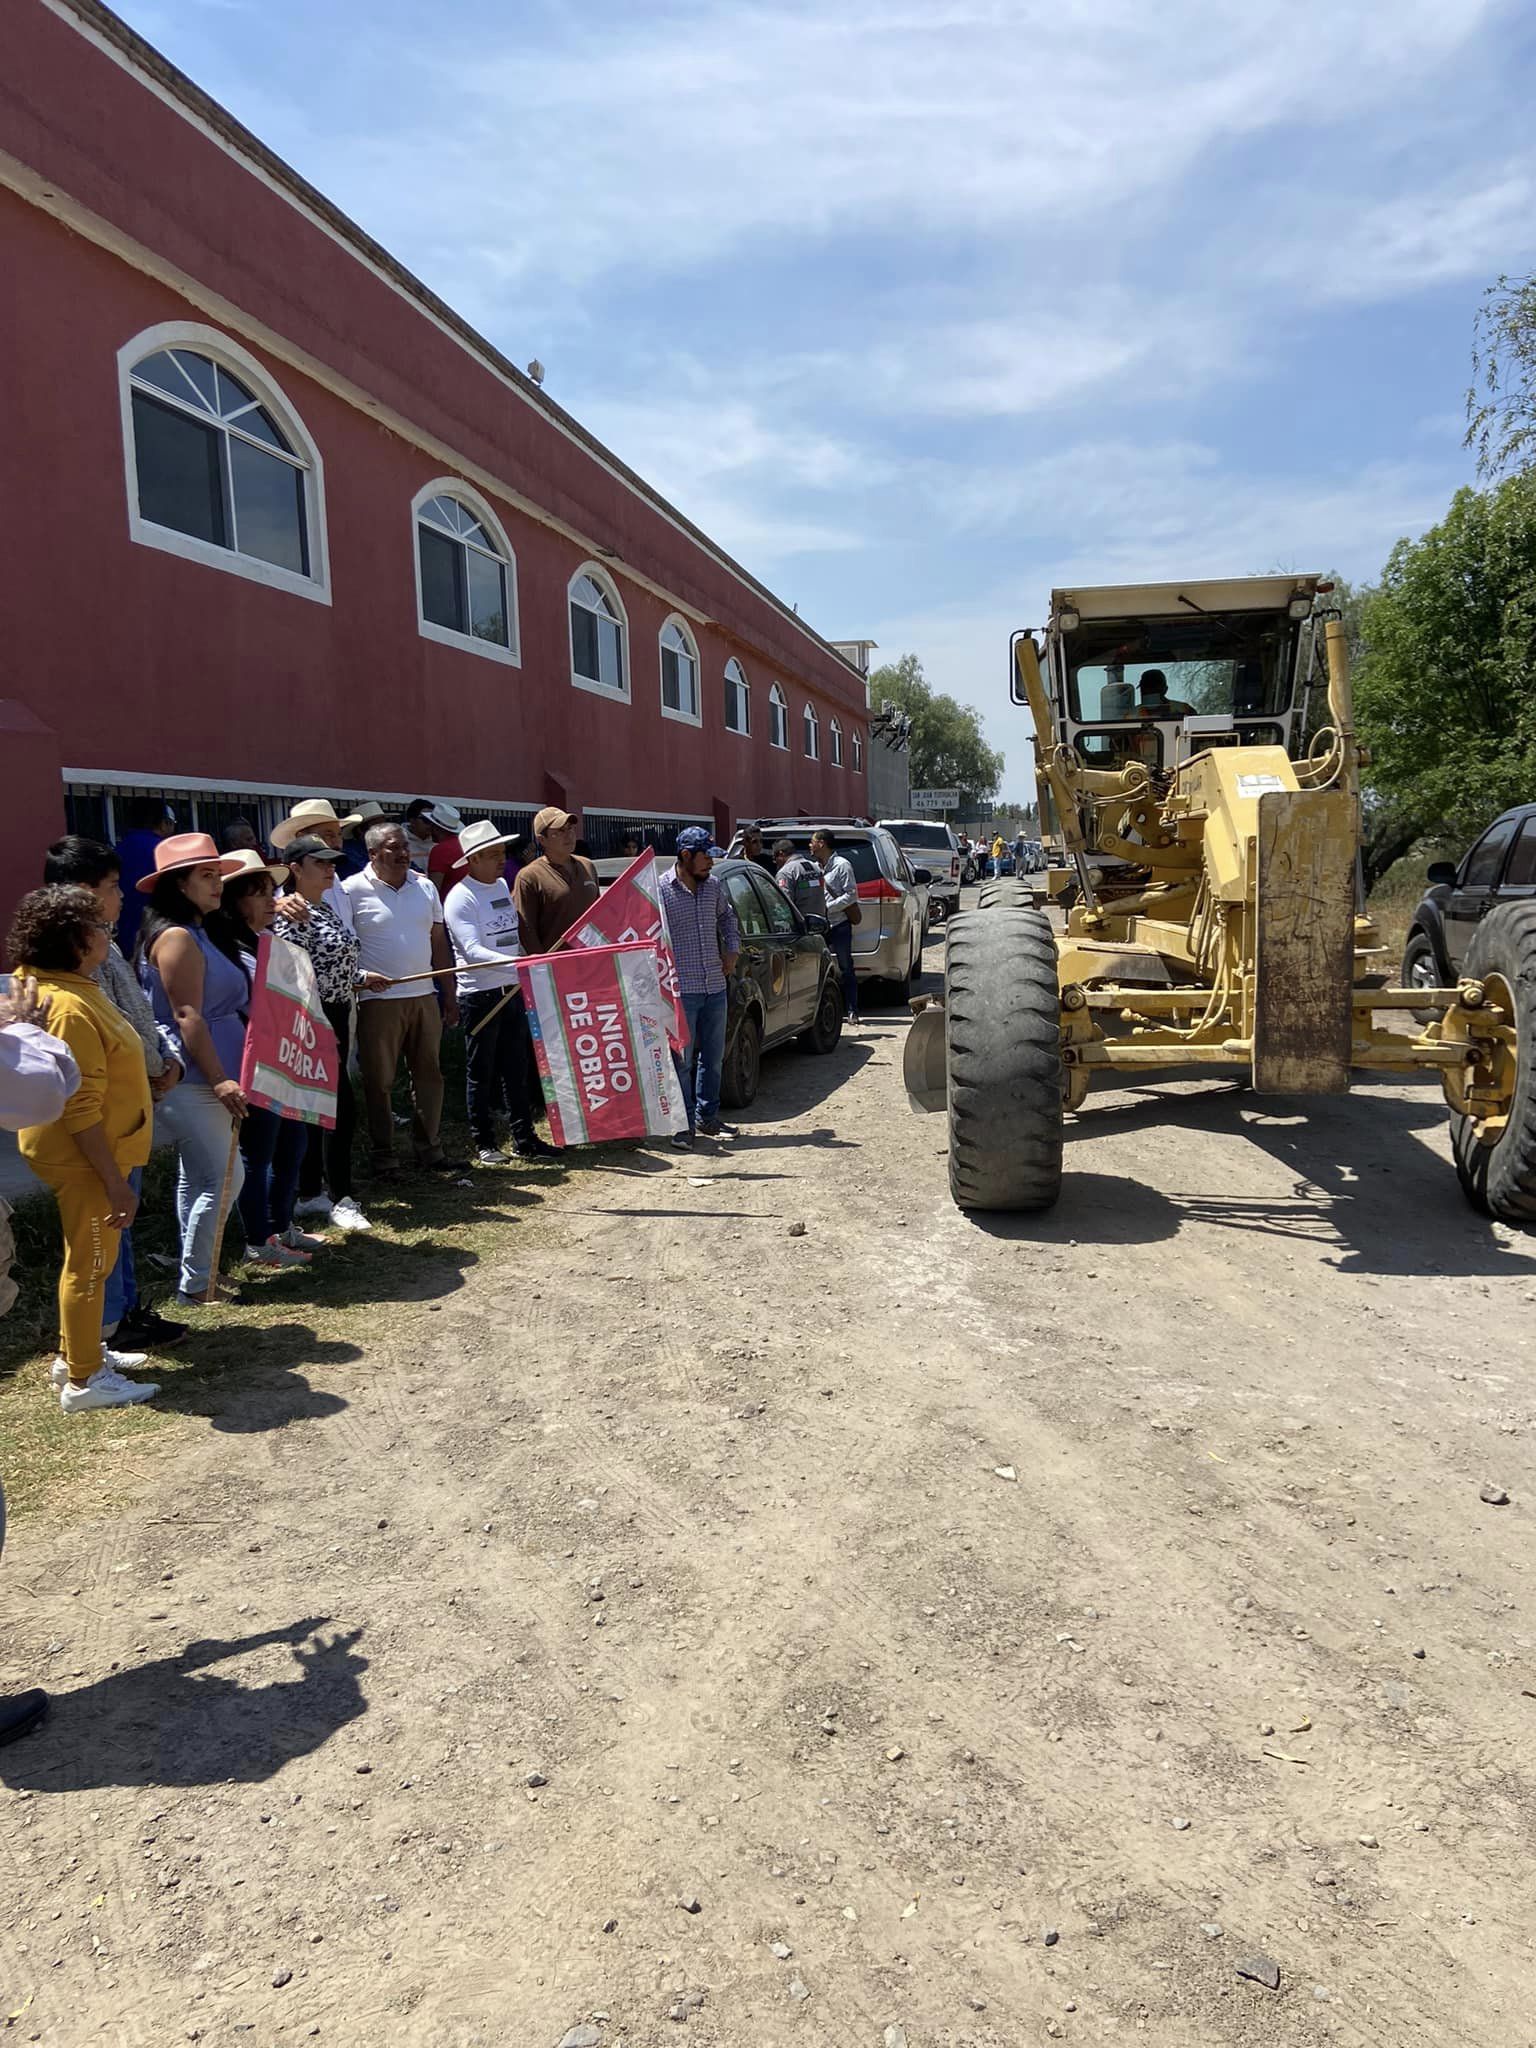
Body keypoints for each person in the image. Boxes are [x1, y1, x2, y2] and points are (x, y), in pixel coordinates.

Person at [8, 886, 160, 1410]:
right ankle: (84, 1381)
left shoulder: (69, 984)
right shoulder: (69, 1005)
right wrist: (114, 1182)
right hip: (90, 1160)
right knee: (92, 1263)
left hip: (96, 1152)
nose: (108, 934)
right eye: (99, 926)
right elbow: (79, 1108)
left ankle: (79, 1351)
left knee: (89, 1259)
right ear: (76, 940)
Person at [42, 837, 186, 1352]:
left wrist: (166, 1060)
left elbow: (137, 1018)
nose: (121, 896)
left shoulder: (99, 947)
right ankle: (95, 1345)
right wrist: (156, 1063)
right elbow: (112, 1033)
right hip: (100, 1123)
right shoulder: (74, 967)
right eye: (110, 887)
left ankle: (120, 1316)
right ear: (82, 893)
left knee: (118, 1223)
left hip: (130, 1109)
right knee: (102, 1234)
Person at [137, 833, 251, 1309]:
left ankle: (198, 1274)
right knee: (227, 1178)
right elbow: (187, 1015)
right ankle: (195, 1283)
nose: (218, 883)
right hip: (197, 1078)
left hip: (207, 1074)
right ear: (178, 884)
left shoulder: (199, 930)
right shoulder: (178, 937)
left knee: (198, 1177)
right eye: (206, 875)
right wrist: (222, 1077)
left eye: (218, 873)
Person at [209, 850, 320, 1268]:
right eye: (261, 894)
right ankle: (258, 1239)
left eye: (272, 892)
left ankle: (281, 1224)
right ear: (237, 900)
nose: (271, 901)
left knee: (294, 1144)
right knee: (260, 1152)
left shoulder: (271, 941)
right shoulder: (225, 949)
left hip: (287, 1060)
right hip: (254, 1065)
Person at [274, 834, 386, 1233]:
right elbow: (290, 974)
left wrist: (359, 977)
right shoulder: (291, 914)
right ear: (295, 869)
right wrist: (316, 1023)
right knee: (338, 1109)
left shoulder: (322, 909)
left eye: (331, 862)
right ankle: (340, 1197)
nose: (330, 869)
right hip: (312, 1020)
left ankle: (311, 1192)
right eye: (319, 863)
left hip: (338, 1011)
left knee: (323, 1108)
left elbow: (329, 962)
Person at [344, 823, 463, 1178]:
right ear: (373, 854)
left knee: (430, 1075)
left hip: (424, 995)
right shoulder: (350, 891)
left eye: (405, 847)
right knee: (379, 1081)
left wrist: (449, 992)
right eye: (393, 848)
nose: (403, 854)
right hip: (378, 1002)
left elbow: (438, 943)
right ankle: (384, 1157)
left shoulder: (424, 886)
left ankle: (430, 1150)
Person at [444, 820, 556, 1166]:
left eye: (501, 854)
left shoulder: (499, 888)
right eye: (493, 855)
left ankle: (525, 1138)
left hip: (512, 988)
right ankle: (484, 1142)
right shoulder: (460, 898)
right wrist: (518, 963)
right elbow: (473, 950)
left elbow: (513, 933)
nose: (500, 861)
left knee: (516, 1066)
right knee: (482, 1071)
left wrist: (524, 960)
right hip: (481, 995)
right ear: (473, 859)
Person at [658, 827, 740, 1149]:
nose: (711, 863)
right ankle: (683, 1125)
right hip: (682, 992)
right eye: (706, 857)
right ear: (686, 856)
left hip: (714, 987)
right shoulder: (662, 892)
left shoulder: (714, 887)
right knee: (683, 1061)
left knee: (714, 1057)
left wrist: (732, 949)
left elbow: (728, 919)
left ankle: (708, 1117)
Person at [514, 807, 602, 955]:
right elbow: (526, 930)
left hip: (593, 959)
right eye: (559, 831)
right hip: (558, 965)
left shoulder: (588, 866)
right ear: (542, 840)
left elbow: (600, 913)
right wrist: (543, 966)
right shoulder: (529, 876)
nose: (568, 835)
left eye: (570, 829)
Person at [112, 798, 178, 955]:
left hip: (124, 935)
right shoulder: (165, 850)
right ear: (163, 823)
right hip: (161, 935)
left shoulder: (118, 849)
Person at [811, 828, 861, 1026]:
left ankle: (852, 1009)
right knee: (818, 968)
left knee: (846, 967)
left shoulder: (842, 866)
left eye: (812, 841)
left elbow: (851, 895)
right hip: (819, 926)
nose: (810, 845)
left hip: (839, 923)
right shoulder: (813, 867)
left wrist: (828, 908)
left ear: (821, 843)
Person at [774, 838, 827, 922]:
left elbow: (784, 904)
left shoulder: (785, 872)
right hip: (820, 923)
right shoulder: (815, 867)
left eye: (775, 858)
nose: (775, 862)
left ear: (781, 854)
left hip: (800, 926)